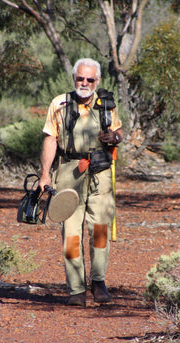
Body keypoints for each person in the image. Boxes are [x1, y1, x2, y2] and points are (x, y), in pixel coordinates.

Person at [38, 58, 124, 307]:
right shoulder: (59, 104)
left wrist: (114, 137)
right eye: (80, 78)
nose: (84, 83)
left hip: (101, 173)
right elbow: (50, 139)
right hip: (68, 172)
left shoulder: (106, 103)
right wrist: (45, 175)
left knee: (100, 230)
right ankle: (76, 290)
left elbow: (119, 131)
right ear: (74, 77)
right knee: (71, 234)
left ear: (97, 81)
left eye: (90, 79)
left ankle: (98, 282)